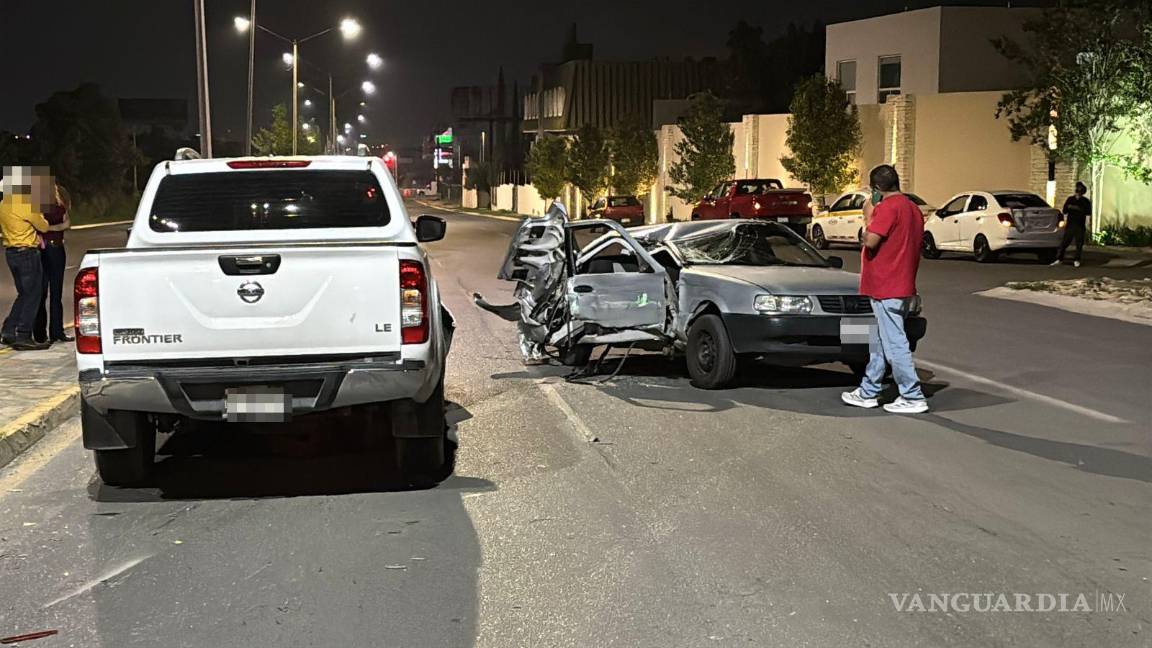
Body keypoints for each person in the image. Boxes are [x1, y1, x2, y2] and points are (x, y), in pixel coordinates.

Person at [842, 164, 929, 414]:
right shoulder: (912, 208)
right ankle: (869, 390)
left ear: (877, 188)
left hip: (886, 285)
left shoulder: (888, 208)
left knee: (894, 343)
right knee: (879, 341)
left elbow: (870, 241)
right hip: (902, 284)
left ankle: (912, 395)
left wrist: (868, 216)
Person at [0, 166, 52, 351]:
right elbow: (44, 227)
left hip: (11, 252)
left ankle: (8, 330)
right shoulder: (25, 204)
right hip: (27, 252)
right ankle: (23, 334)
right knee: (33, 294)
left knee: (24, 293)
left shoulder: (4, 204)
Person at [34, 181, 73, 344]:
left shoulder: (45, 206)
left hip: (47, 248)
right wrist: (57, 228)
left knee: (46, 292)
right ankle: (54, 332)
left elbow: (67, 223)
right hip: (52, 248)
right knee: (50, 292)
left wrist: (50, 228)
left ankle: (42, 333)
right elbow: (63, 224)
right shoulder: (46, 207)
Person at [1051, 181, 1091, 268]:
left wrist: (1078, 209)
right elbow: (1064, 210)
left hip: (1080, 225)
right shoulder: (1070, 199)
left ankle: (1077, 260)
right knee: (1065, 242)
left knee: (1079, 244)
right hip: (1070, 224)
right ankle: (1059, 259)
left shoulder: (1085, 201)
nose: (1078, 191)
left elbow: (1088, 212)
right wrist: (1070, 207)